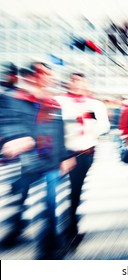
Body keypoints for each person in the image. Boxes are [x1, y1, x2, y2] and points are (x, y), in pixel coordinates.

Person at [0, 62, 76, 259]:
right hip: (27, 162)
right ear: (31, 77)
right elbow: (8, 122)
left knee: (50, 205)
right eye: (44, 74)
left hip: (51, 162)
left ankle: (48, 248)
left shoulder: (52, 103)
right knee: (21, 199)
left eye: (49, 75)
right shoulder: (13, 99)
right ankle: (16, 230)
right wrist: (17, 138)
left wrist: (66, 156)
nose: (48, 79)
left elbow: (59, 132)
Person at [55, 73, 110, 248]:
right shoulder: (60, 101)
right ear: (69, 84)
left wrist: (87, 123)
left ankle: (71, 223)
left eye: (81, 81)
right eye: (74, 81)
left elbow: (104, 126)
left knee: (75, 190)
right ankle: (65, 226)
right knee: (54, 191)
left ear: (86, 84)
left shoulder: (95, 104)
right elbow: (55, 126)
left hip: (85, 153)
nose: (78, 84)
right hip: (63, 152)